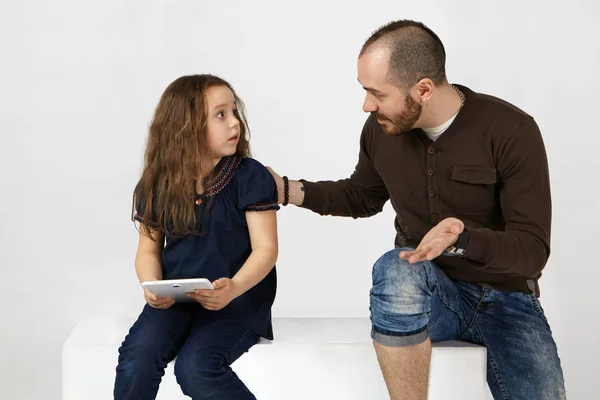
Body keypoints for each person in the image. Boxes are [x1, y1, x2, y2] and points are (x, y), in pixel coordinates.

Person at [268, 20, 566, 399]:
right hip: (429, 295)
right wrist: (289, 190)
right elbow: (362, 196)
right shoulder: (380, 129)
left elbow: (531, 252)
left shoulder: (512, 130)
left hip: (507, 301)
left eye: (377, 93)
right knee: (396, 266)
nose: (367, 105)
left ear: (423, 89)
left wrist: (461, 240)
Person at [114, 74, 279, 400]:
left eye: (234, 111)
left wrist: (232, 288)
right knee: (136, 357)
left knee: (195, 367)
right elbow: (147, 252)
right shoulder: (156, 184)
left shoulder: (250, 176)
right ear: (185, 127)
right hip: (176, 300)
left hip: (237, 301)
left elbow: (266, 249)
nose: (235, 123)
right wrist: (151, 286)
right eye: (221, 114)